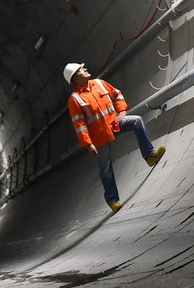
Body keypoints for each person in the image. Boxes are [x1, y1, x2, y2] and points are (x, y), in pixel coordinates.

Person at [64, 62, 165, 213]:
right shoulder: (75, 99)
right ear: (76, 78)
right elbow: (79, 124)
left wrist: (122, 110)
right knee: (105, 167)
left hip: (114, 123)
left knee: (137, 121)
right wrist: (88, 143)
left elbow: (116, 94)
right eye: (81, 70)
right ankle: (112, 200)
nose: (85, 69)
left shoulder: (99, 83)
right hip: (99, 135)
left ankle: (150, 155)